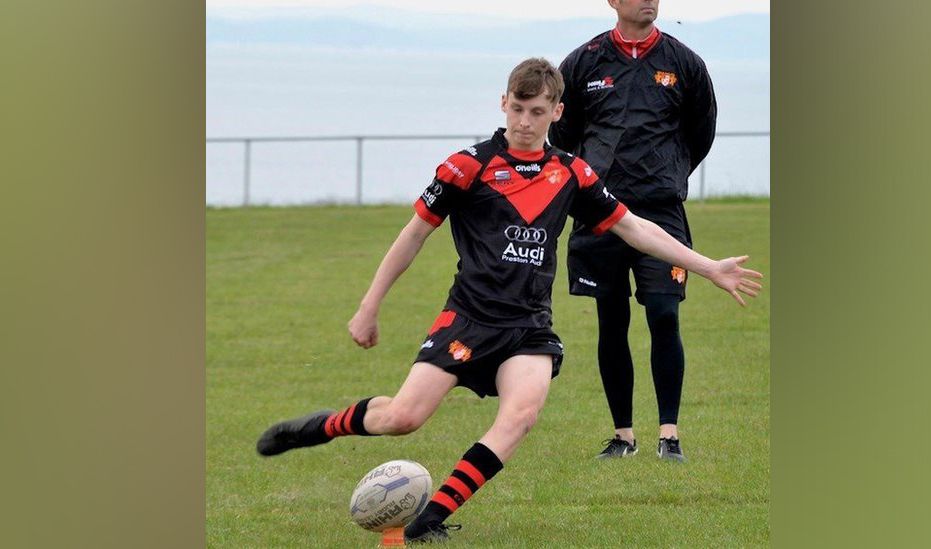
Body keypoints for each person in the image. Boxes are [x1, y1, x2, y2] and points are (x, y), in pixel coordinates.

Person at [256, 58, 759, 544]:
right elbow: (411, 237)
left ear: (557, 112)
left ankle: (429, 520)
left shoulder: (572, 174)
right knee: (402, 419)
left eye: (537, 111)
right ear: (503, 103)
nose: (525, 120)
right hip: (468, 318)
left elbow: (634, 227)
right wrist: (369, 306)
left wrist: (707, 266)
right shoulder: (466, 167)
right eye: (518, 108)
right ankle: (322, 426)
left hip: (528, 328)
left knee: (520, 416)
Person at [548, 0, 718, 462]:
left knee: (664, 313)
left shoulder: (684, 62)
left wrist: (669, 171)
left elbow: (701, 131)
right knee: (612, 319)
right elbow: (562, 133)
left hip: (661, 210)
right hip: (601, 211)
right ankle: (623, 435)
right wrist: (596, 174)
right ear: (613, 2)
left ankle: (670, 435)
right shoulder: (584, 61)